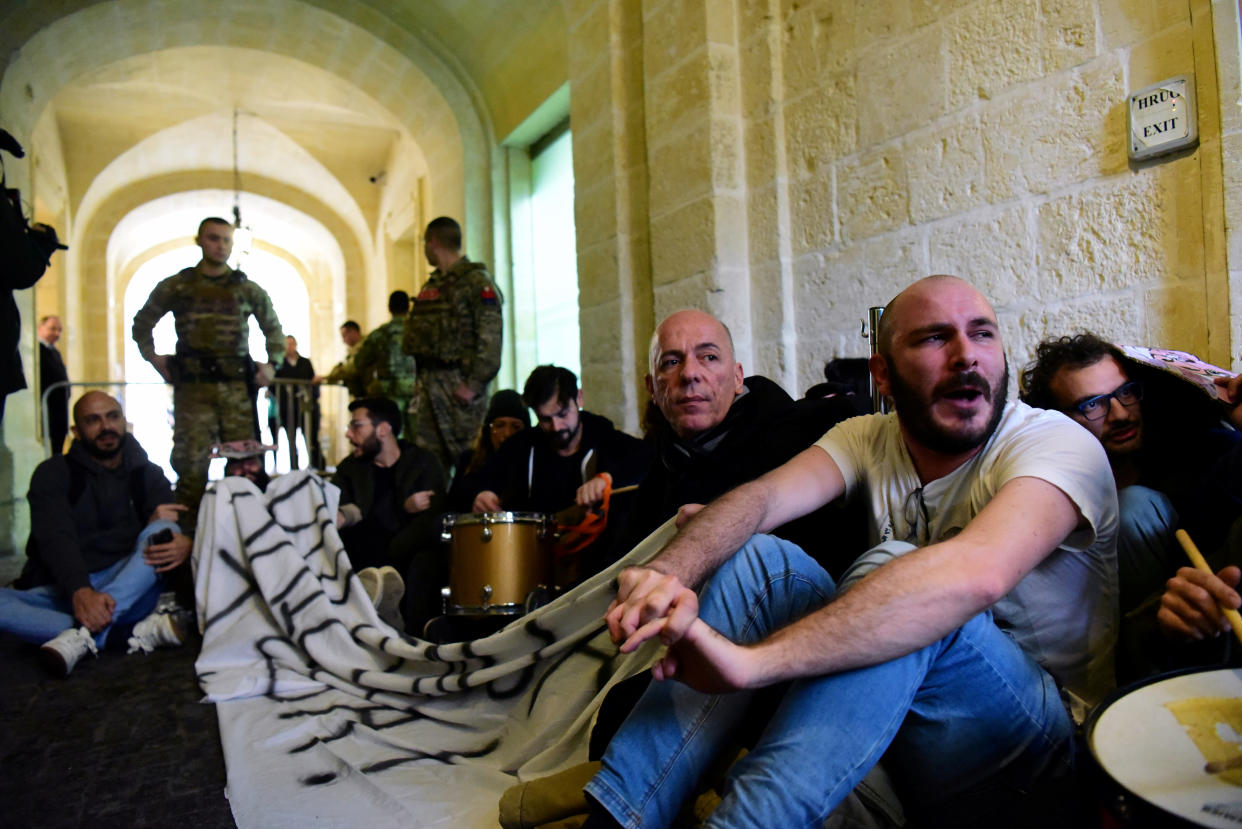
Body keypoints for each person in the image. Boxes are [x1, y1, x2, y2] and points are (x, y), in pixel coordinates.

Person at [582, 276, 1119, 827]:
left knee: (900, 572)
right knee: (759, 561)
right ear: (882, 374)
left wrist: (752, 664)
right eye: (935, 339)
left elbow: (973, 576)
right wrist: (663, 575)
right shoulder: (868, 436)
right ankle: (618, 816)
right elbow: (759, 500)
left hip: (1033, 761)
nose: (966, 356)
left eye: (982, 334)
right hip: (893, 738)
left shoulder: (1055, 443)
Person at [612, 309, 861, 575]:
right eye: (671, 362)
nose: (690, 374)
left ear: (737, 378)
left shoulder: (805, 434)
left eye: (709, 357)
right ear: (652, 388)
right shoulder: (661, 471)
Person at [1020, 333, 1242, 613]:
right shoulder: (1048, 491)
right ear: (1057, 419)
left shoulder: (1190, 449)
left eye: (1125, 392)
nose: (1120, 414)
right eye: (1093, 404)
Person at [0, 391, 193, 676]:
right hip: (68, 587)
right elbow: (56, 538)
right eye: (93, 420)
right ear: (77, 432)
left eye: (112, 417)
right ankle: (122, 634)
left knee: (164, 528)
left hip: (128, 582)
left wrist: (186, 542)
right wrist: (81, 591)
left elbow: (171, 525)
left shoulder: (147, 474)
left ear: (124, 422)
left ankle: (79, 635)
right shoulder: (52, 473)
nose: (106, 427)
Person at [131, 217, 285, 532]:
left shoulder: (246, 288)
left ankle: (248, 534)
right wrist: (154, 359)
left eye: (227, 240)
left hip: (235, 390)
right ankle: (188, 540)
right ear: (200, 241)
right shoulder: (178, 285)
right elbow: (142, 323)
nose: (221, 246)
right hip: (193, 391)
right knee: (190, 469)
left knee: (246, 465)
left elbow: (274, 329)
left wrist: (272, 364)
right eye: (214, 239)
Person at [331, 396, 445, 630]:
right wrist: (403, 508)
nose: (349, 434)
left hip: (409, 550)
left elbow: (432, 515)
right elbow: (344, 513)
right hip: (365, 551)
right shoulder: (349, 470)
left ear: (383, 429)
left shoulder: (422, 462)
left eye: (356, 425)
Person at [402, 216, 503, 476]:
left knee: (470, 463)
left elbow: (491, 340)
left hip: (460, 390)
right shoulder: (434, 285)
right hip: (429, 388)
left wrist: (473, 384)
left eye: (425, 243)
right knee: (428, 465)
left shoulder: (476, 282)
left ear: (433, 242)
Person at [446, 389, 530, 512]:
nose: (507, 434)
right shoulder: (469, 460)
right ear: (488, 429)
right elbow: (451, 507)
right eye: (500, 425)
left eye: (515, 427)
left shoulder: (534, 464)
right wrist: (475, 500)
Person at [354, 290, 417, 439]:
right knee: (417, 439)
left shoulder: (380, 334)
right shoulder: (418, 332)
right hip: (416, 393)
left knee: (392, 437)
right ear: (408, 307)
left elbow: (359, 362)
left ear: (389, 308)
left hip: (389, 394)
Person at [273, 335, 320, 470]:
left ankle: (316, 466)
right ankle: (294, 468)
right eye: (287, 344)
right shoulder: (279, 364)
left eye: (292, 343)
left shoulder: (305, 363)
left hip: (306, 406)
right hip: (287, 408)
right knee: (291, 440)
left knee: (311, 437)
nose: (290, 346)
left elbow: (313, 381)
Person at [37, 314, 69, 453]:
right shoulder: (37, 351)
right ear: (40, 328)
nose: (57, 333)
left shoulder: (54, 352)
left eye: (59, 330)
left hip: (60, 408)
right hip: (47, 408)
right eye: (52, 329)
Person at [314, 320, 366, 397]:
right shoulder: (355, 350)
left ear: (353, 332)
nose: (344, 341)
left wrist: (326, 377)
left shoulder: (364, 347)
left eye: (344, 336)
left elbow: (349, 369)